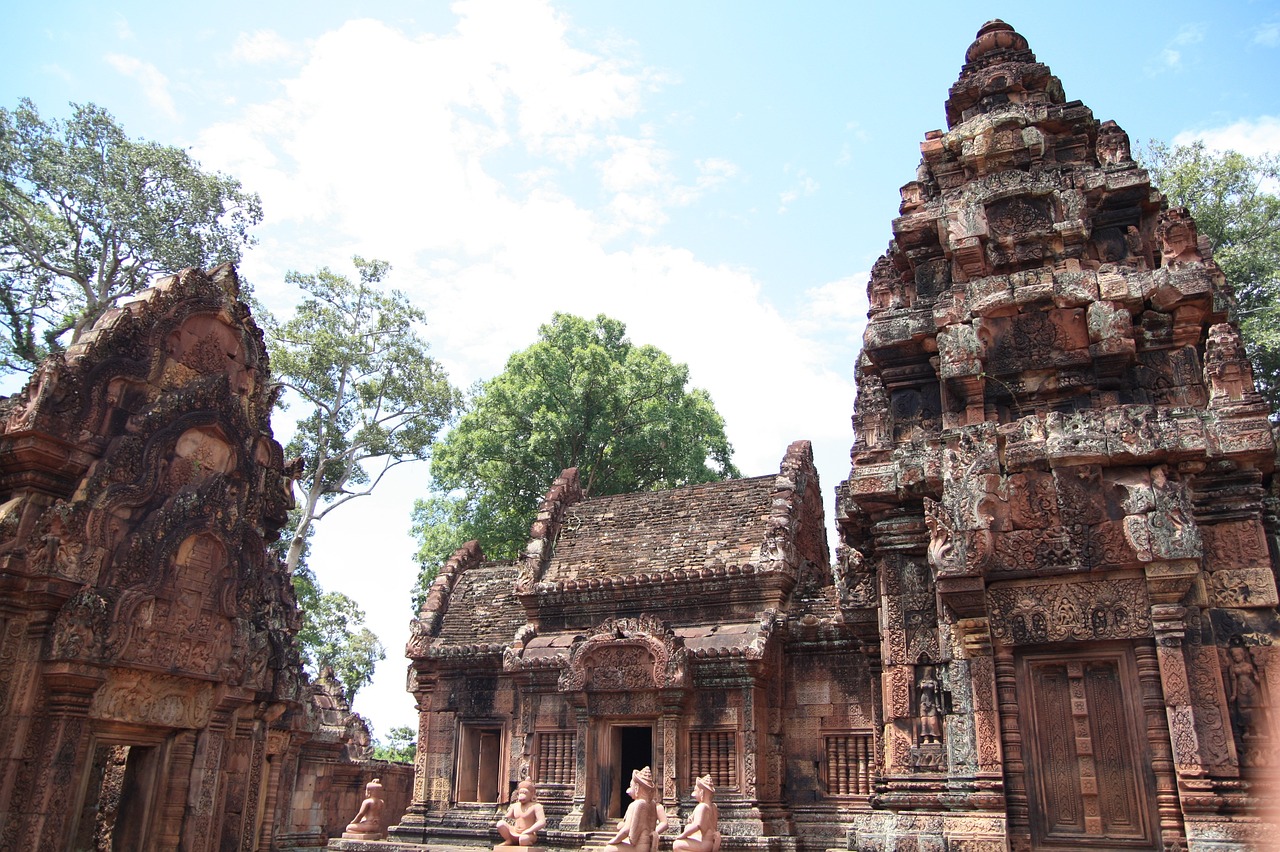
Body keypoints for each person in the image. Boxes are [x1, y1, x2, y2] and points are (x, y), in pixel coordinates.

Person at [604, 766, 658, 852]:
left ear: (637, 787)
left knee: (609, 849)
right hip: (646, 846)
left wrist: (614, 840)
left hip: (638, 847)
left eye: (631, 786)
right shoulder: (652, 804)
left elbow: (627, 830)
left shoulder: (636, 804)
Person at [672, 775, 721, 852]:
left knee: (677, 845)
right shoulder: (713, 806)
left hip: (704, 844)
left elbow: (697, 825)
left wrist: (683, 835)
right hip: (710, 843)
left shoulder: (702, 807)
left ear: (702, 792)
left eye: (696, 791)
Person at [496, 779, 547, 846]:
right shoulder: (515, 806)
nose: (521, 795)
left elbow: (542, 822)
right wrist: (505, 811)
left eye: (525, 793)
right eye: (520, 793)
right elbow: (507, 817)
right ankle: (509, 840)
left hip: (528, 834)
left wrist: (529, 830)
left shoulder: (536, 806)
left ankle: (528, 844)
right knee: (500, 824)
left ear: (531, 794)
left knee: (523, 840)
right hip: (514, 831)